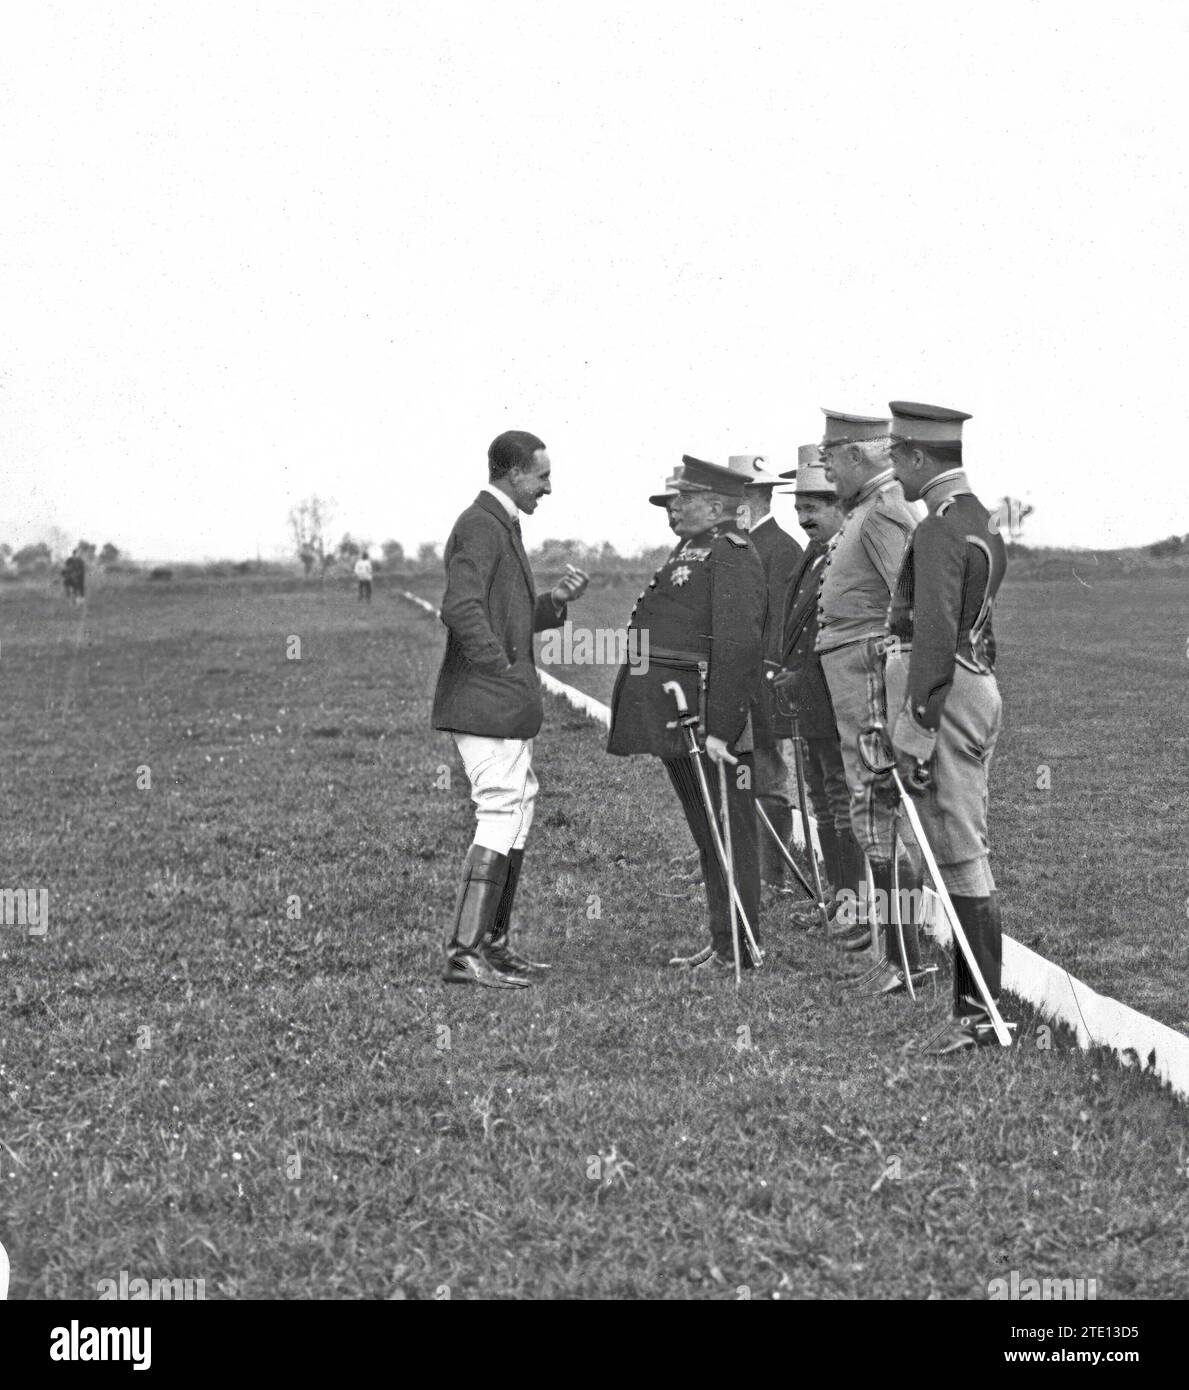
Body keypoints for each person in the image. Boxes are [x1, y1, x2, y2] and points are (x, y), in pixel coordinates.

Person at [431, 430, 589, 988]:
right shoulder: (480, 525)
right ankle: (465, 951)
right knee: (501, 808)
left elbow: (507, 614)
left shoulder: (501, 523)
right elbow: (461, 608)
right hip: (487, 701)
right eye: (542, 477)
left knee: (516, 807)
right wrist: (497, 668)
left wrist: (556, 604)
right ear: (514, 472)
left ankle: (492, 944)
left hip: (501, 702)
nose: (548, 487)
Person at [884, 401, 1011, 1053]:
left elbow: (934, 632)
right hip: (974, 682)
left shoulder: (936, 527)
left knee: (958, 849)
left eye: (894, 455)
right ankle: (976, 1010)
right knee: (962, 841)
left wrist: (915, 724)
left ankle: (978, 1018)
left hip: (945, 690)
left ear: (915, 456)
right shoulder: (982, 519)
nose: (891, 468)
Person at [607, 456, 766, 971]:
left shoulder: (731, 552)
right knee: (708, 830)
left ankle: (739, 945)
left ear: (717, 505)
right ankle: (722, 942)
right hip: (678, 712)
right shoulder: (692, 548)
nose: (673, 507)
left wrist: (722, 728)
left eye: (683, 498)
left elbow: (738, 646)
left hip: (706, 720)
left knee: (728, 831)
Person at [814, 408, 925, 994]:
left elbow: (909, 600)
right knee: (869, 806)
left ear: (856, 456)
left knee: (876, 804)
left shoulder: (883, 510)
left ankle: (903, 961)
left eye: (831, 459)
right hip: (852, 672)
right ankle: (895, 956)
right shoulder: (867, 508)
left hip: (867, 674)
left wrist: (889, 667)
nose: (826, 470)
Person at [772, 445, 855, 919]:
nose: (804, 518)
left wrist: (803, 676)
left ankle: (851, 902)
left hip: (836, 700)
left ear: (840, 506)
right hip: (810, 702)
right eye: (799, 507)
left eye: (814, 507)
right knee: (823, 804)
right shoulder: (811, 555)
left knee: (842, 805)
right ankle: (836, 898)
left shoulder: (846, 556)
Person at [728, 455, 804, 889]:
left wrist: (766, 681)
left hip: (763, 684)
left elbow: (777, 628)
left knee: (768, 775)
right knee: (740, 773)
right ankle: (744, 869)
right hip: (736, 681)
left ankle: (771, 876)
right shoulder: (741, 544)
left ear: (752, 497)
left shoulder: (780, 548)